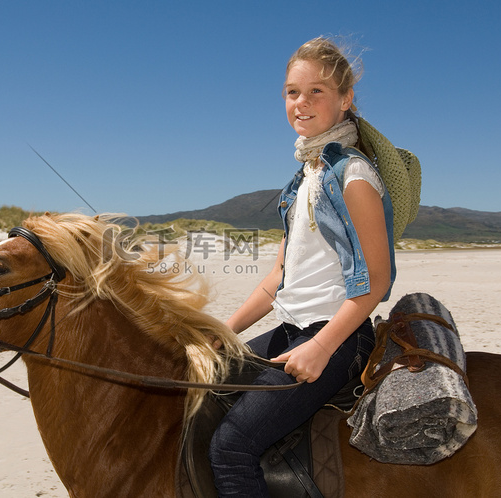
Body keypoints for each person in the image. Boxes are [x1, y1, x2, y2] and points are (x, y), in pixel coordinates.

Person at [208, 36, 397, 496]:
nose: (302, 102)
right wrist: (224, 332)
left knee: (230, 449)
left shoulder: (351, 175)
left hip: (338, 338)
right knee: (202, 388)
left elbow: (377, 279)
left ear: (345, 99)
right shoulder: (304, 178)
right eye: (293, 92)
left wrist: (322, 348)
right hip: (292, 329)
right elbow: (279, 279)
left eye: (317, 91)